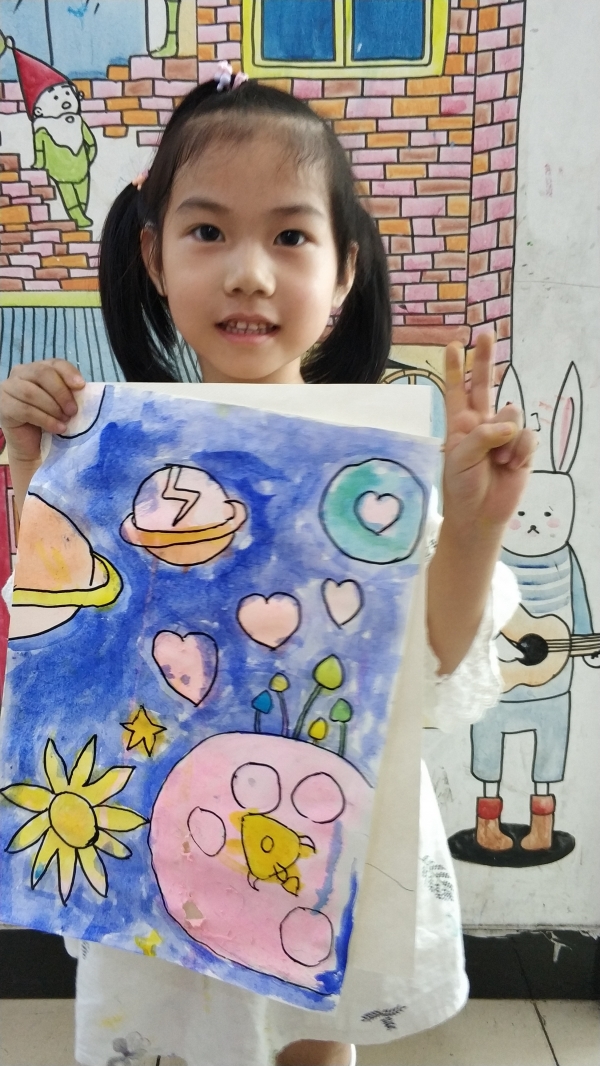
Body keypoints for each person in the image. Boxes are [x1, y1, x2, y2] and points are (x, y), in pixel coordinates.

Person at [0, 65, 535, 1066]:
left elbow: (435, 659)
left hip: (319, 844)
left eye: (290, 236)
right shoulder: (110, 450)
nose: (249, 272)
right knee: (156, 1037)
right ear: (154, 256)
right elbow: (71, 625)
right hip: (156, 834)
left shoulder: (376, 479)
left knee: (308, 1046)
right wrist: (42, 474)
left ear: (343, 272)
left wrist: (471, 527)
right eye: (209, 231)